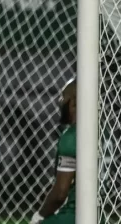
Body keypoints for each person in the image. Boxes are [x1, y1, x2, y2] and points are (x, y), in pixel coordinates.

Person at [30, 78, 76, 224]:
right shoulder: (104, 133)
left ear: (74, 102)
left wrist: (39, 216)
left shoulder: (72, 136)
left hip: (73, 217)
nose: (60, 101)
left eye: (63, 97)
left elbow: (60, 194)